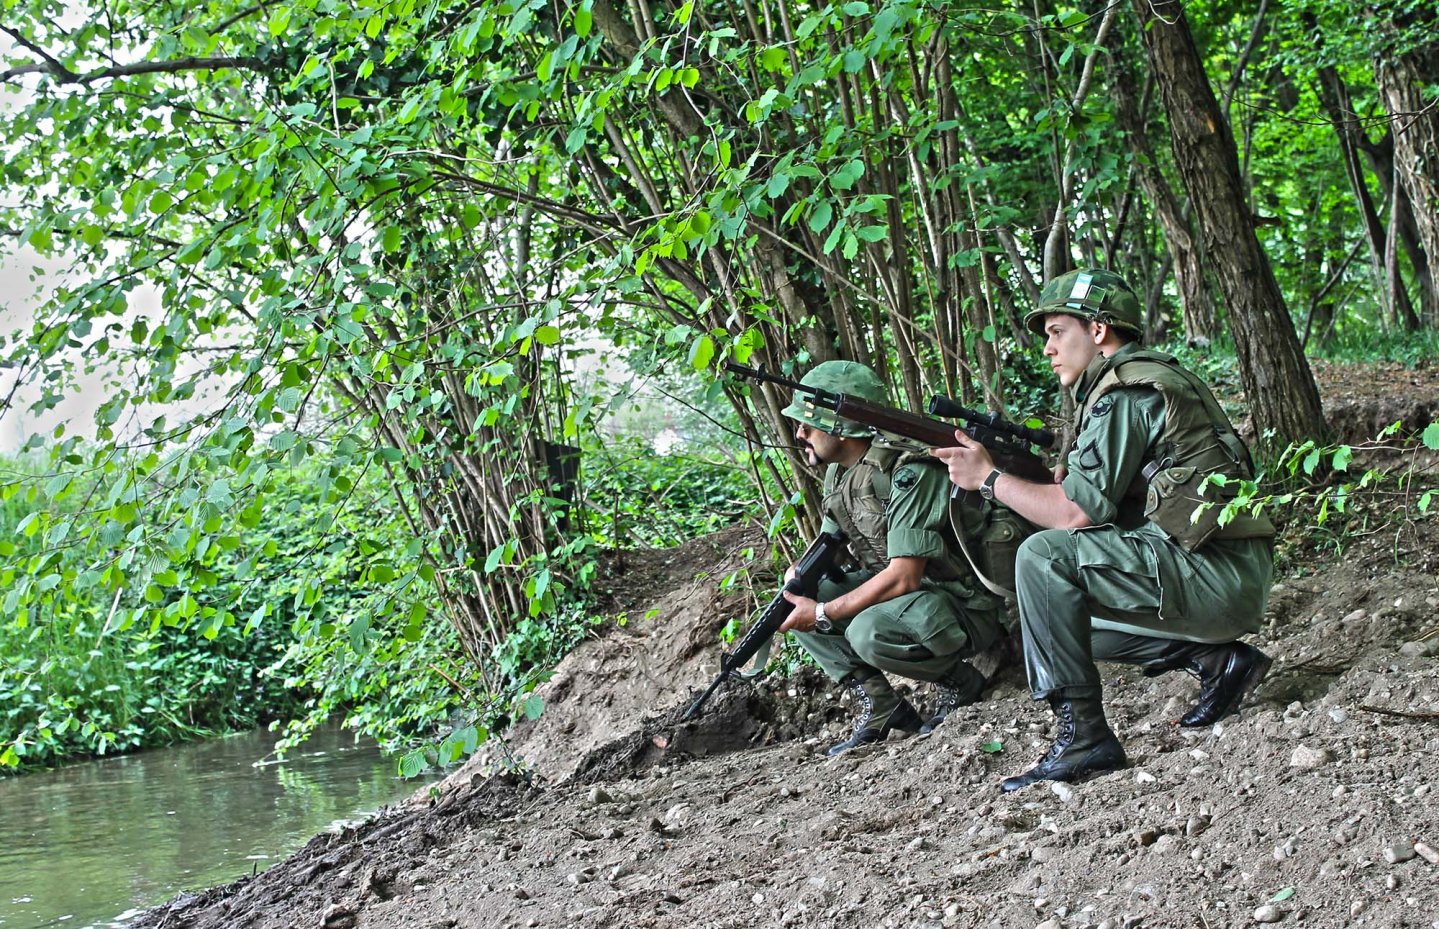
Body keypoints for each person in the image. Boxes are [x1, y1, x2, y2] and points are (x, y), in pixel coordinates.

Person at [931, 269, 1275, 792]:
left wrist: (988, 479)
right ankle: (1218, 659)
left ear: (1097, 329)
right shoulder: (1131, 383)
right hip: (1219, 574)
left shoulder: (1126, 393)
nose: (1047, 347)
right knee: (1057, 627)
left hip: (1214, 577)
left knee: (1042, 558)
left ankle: (1084, 739)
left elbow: (1073, 517)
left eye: (1056, 331)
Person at [774, 360, 1004, 756]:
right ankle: (883, 706)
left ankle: (961, 682)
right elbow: (830, 541)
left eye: (808, 423)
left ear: (840, 426)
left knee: (865, 630)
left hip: (963, 606)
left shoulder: (908, 471)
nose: (800, 432)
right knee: (794, 603)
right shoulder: (841, 475)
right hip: (913, 605)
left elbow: (904, 577)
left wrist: (826, 611)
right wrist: (803, 571)